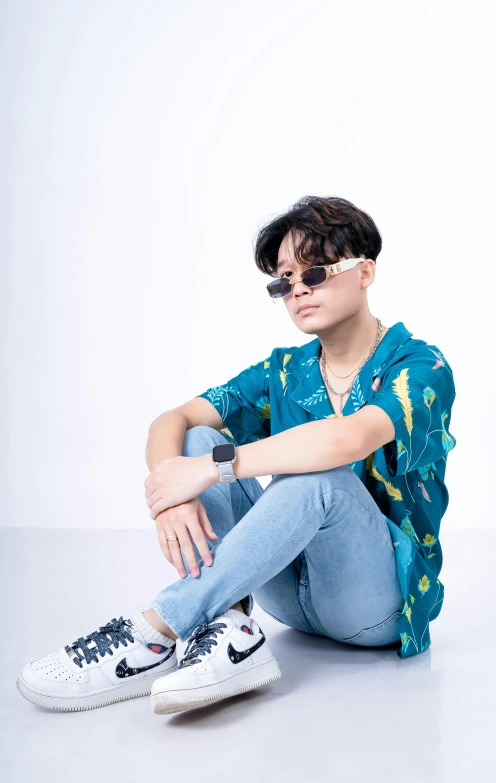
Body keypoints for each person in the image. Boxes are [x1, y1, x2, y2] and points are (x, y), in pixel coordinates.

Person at [16, 195, 457, 715]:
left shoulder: (419, 364)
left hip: (375, 607)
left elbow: (347, 440)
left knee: (316, 476)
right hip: (288, 596)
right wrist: (173, 496)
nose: (297, 291)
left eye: (313, 273)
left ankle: (155, 631)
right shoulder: (285, 370)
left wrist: (209, 472)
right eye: (283, 281)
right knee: (197, 440)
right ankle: (229, 630)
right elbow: (171, 422)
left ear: (365, 271)